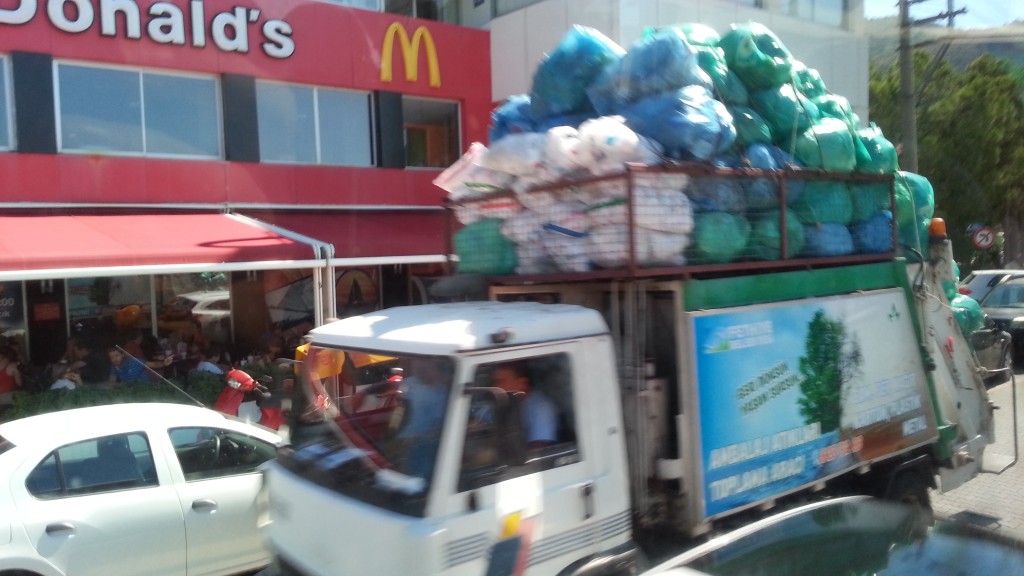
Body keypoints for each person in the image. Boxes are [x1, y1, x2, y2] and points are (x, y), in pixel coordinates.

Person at [396, 356, 453, 481]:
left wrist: (418, 437)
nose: (420, 369)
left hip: (426, 444)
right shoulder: (408, 384)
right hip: (405, 439)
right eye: (417, 366)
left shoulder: (442, 393)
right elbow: (400, 411)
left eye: (425, 367)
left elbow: (443, 427)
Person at [493, 361, 559, 449]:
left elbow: (538, 451)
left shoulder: (542, 408)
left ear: (522, 383)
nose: (496, 387)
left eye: (501, 381)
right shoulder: (511, 401)